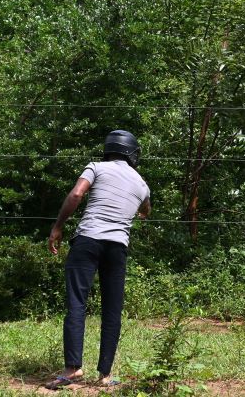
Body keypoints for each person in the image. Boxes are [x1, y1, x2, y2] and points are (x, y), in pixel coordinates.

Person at [45, 130, 151, 390]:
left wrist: (58, 227)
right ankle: (104, 376)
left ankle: (72, 369)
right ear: (131, 153)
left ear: (109, 149)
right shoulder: (141, 182)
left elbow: (77, 195)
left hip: (88, 240)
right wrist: (137, 210)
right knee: (112, 310)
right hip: (117, 247)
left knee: (77, 303)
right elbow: (146, 209)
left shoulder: (96, 167)